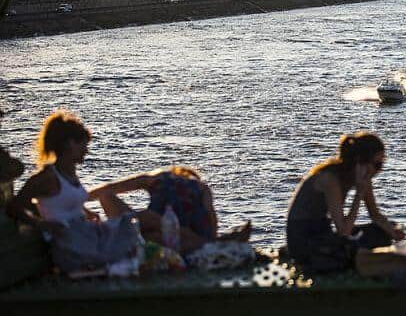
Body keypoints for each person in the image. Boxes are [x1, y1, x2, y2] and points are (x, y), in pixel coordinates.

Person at [6, 111, 140, 272]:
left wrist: (85, 210)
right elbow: (14, 206)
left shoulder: (69, 174)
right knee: (129, 235)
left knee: (129, 224)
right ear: (70, 144)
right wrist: (40, 223)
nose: (86, 151)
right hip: (70, 242)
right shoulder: (47, 178)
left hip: (84, 233)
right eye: (83, 145)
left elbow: (64, 201)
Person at [286, 131, 404, 272]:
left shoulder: (364, 176)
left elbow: (375, 215)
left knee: (381, 233)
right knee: (348, 247)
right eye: (377, 165)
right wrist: (359, 192)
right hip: (304, 239)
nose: (379, 170)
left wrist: (394, 233)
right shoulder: (330, 179)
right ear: (359, 162)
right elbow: (343, 231)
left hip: (324, 232)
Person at [88, 166, 251, 253]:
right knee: (156, 231)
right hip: (178, 235)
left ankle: (213, 243)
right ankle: (214, 243)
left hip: (156, 232)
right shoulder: (201, 187)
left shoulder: (157, 177)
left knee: (151, 232)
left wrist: (80, 198)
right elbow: (210, 216)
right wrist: (212, 236)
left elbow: (111, 188)